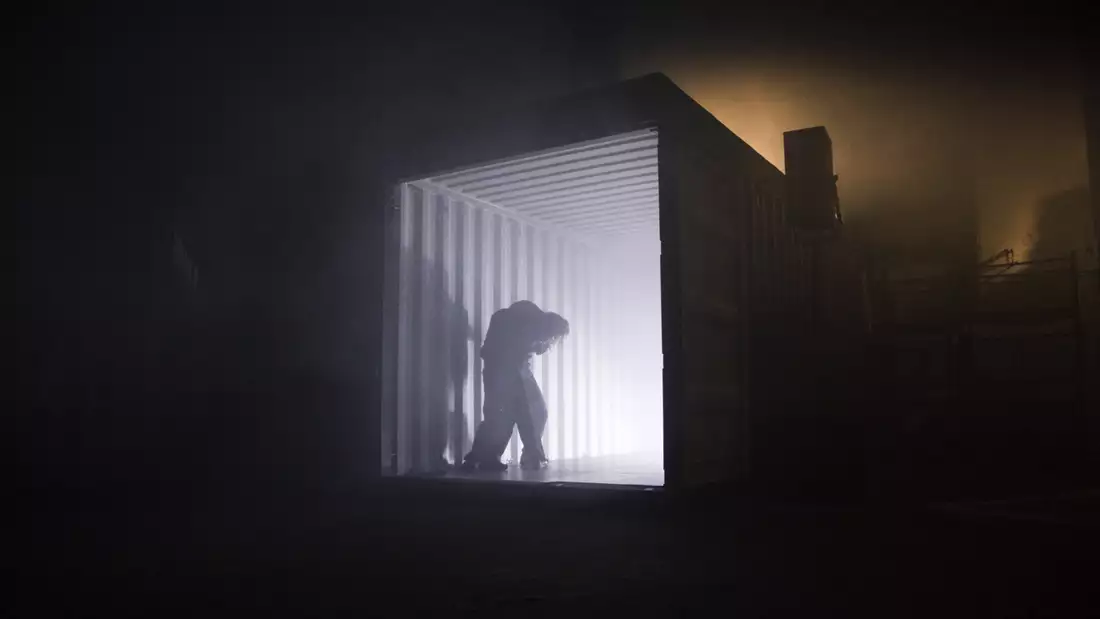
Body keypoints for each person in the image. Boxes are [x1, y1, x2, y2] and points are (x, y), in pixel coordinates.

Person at [460, 300, 569, 472]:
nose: (551, 342)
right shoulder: (524, 330)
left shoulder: (523, 321)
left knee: (500, 417)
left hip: (505, 369)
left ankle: (484, 457)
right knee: (514, 414)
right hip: (509, 370)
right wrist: (533, 449)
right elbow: (524, 412)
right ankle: (490, 457)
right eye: (552, 337)